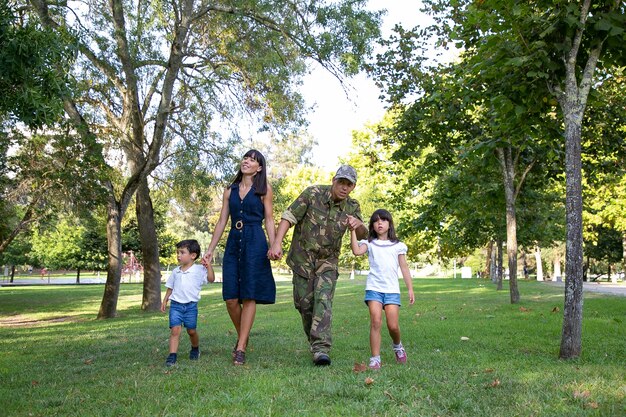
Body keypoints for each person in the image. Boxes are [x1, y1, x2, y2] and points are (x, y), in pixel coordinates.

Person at [269, 165, 368, 366]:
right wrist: (277, 243)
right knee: (304, 304)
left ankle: (321, 348)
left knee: (323, 300)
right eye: (341, 182)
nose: (344, 188)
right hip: (302, 258)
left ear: (353, 187)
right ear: (334, 180)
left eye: (349, 184)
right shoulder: (313, 194)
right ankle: (314, 341)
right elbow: (289, 217)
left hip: (327, 261)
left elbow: (363, 236)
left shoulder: (353, 207)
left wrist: (359, 226)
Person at [203, 149, 276, 366]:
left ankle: (241, 346)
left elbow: (270, 220)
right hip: (234, 242)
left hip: (255, 241)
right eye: (246, 158)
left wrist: (274, 245)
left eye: (253, 160)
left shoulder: (264, 190)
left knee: (249, 296)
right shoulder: (229, 190)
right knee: (231, 298)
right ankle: (243, 335)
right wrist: (209, 249)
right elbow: (221, 222)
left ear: (259, 168)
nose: (247, 161)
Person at [350, 209, 415, 370]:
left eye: (383, 220)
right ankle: (375, 359)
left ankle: (398, 345)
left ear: (389, 224)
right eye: (376, 220)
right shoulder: (369, 243)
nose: (380, 223)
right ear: (372, 225)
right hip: (374, 288)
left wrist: (410, 289)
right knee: (376, 322)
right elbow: (356, 251)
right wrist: (352, 231)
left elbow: (404, 267)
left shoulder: (398, 246)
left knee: (393, 326)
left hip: (392, 290)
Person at [161, 239, 215, 367]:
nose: (178, 255)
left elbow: (211, 279)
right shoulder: (176, 271)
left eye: (182, 252)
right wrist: (165, 300)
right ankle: (172, 356)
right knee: (175, 330)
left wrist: (209, 266)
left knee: (191, 331)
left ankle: (195, 348)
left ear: (193, 255)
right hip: (176, 306)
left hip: (191, 307)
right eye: (177, 253)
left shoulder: (199, 270)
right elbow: (170, 287)